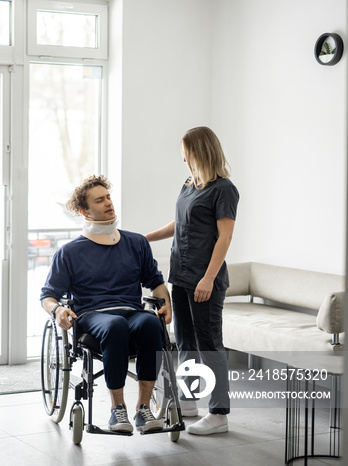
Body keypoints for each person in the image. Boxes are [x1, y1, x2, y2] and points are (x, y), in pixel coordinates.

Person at [40, 175, 172, 434]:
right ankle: (117, 409)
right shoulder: (70, 252)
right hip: (93, 315)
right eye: (99, 200)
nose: (108, 203)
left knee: (149, 322)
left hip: (132, 312)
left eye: (108, 197)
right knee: (115, 325)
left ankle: (143, 408)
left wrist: (166, 302)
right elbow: (48, 295)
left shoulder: (136, 243)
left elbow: (155, 283)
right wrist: (58, 310)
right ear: (83, 211)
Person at [145, 126, 239, 436]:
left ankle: (219, 413)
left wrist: (209, 278)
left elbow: (224, 237)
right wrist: (144, 237)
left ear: (201, 152)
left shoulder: (223, 189)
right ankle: (188, 398)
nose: (184, 161)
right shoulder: (189, 183)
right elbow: (180, 222)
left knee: (209, 344)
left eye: (188, 155)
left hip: (204, 279)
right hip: (181, 276)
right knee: (183, 341)